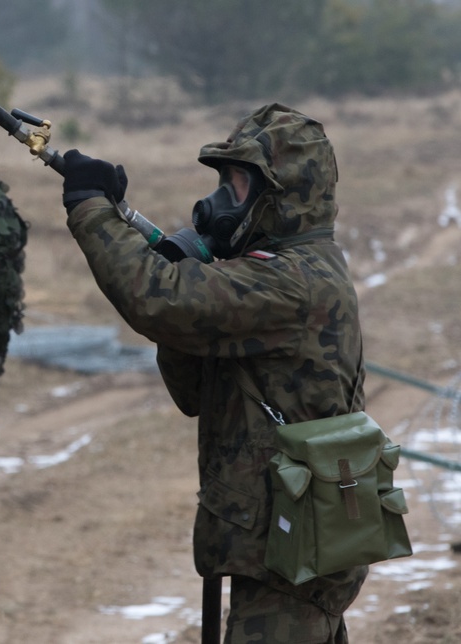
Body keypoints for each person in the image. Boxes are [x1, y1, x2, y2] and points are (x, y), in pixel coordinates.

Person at [60, 104, 368, 643]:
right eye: (225, 180)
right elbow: (193, 388)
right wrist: (178, 259)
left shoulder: (290, 281)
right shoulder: (297, 269)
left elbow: (157, 301)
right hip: (289, 545)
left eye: (240, 183)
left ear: (282, 194)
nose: (224, 199)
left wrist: (92, 209)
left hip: (291, 559)